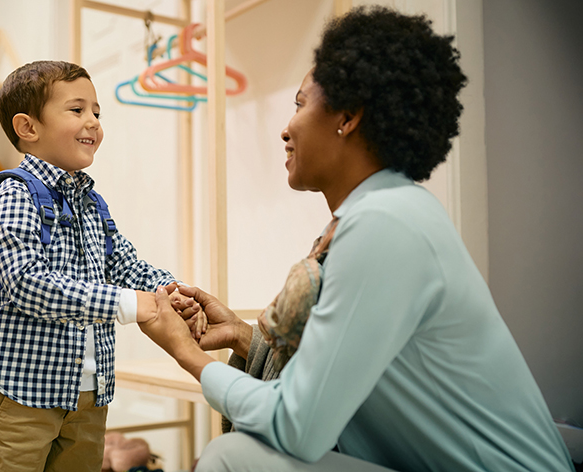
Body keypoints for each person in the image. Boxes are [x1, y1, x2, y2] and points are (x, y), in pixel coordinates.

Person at [141, 7, 575, 472]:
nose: (286, 129)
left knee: (230, 458)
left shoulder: (385, 226)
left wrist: (185, 353)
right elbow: (350, 373)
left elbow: (298, 427)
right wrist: (244, 338)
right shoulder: (386, 214)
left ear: (347, 117)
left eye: (300, 104)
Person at [0, 60, 203, 472]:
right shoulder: (15, 195)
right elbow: (26, 283)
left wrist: (172, 291)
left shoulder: (89, 201)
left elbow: (125, 263)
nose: (92, 121)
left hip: (90, 393)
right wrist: (129, 304)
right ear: (28, 127)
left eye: (96, 112)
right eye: (77, 110)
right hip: (23, 391)